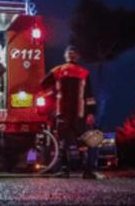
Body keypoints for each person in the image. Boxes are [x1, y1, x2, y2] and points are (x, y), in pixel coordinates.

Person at [41, 45, 97, 178]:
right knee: (82, 141)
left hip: (63, 112)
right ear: (77, 57)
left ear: (65, 56)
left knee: (63, 141)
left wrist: (52, 94)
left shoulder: (57, 70)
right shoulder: (84, 72)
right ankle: (86, 171)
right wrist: (91, 113)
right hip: (79, 112)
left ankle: (64, 170)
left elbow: (43, 84)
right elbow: (89, 95)